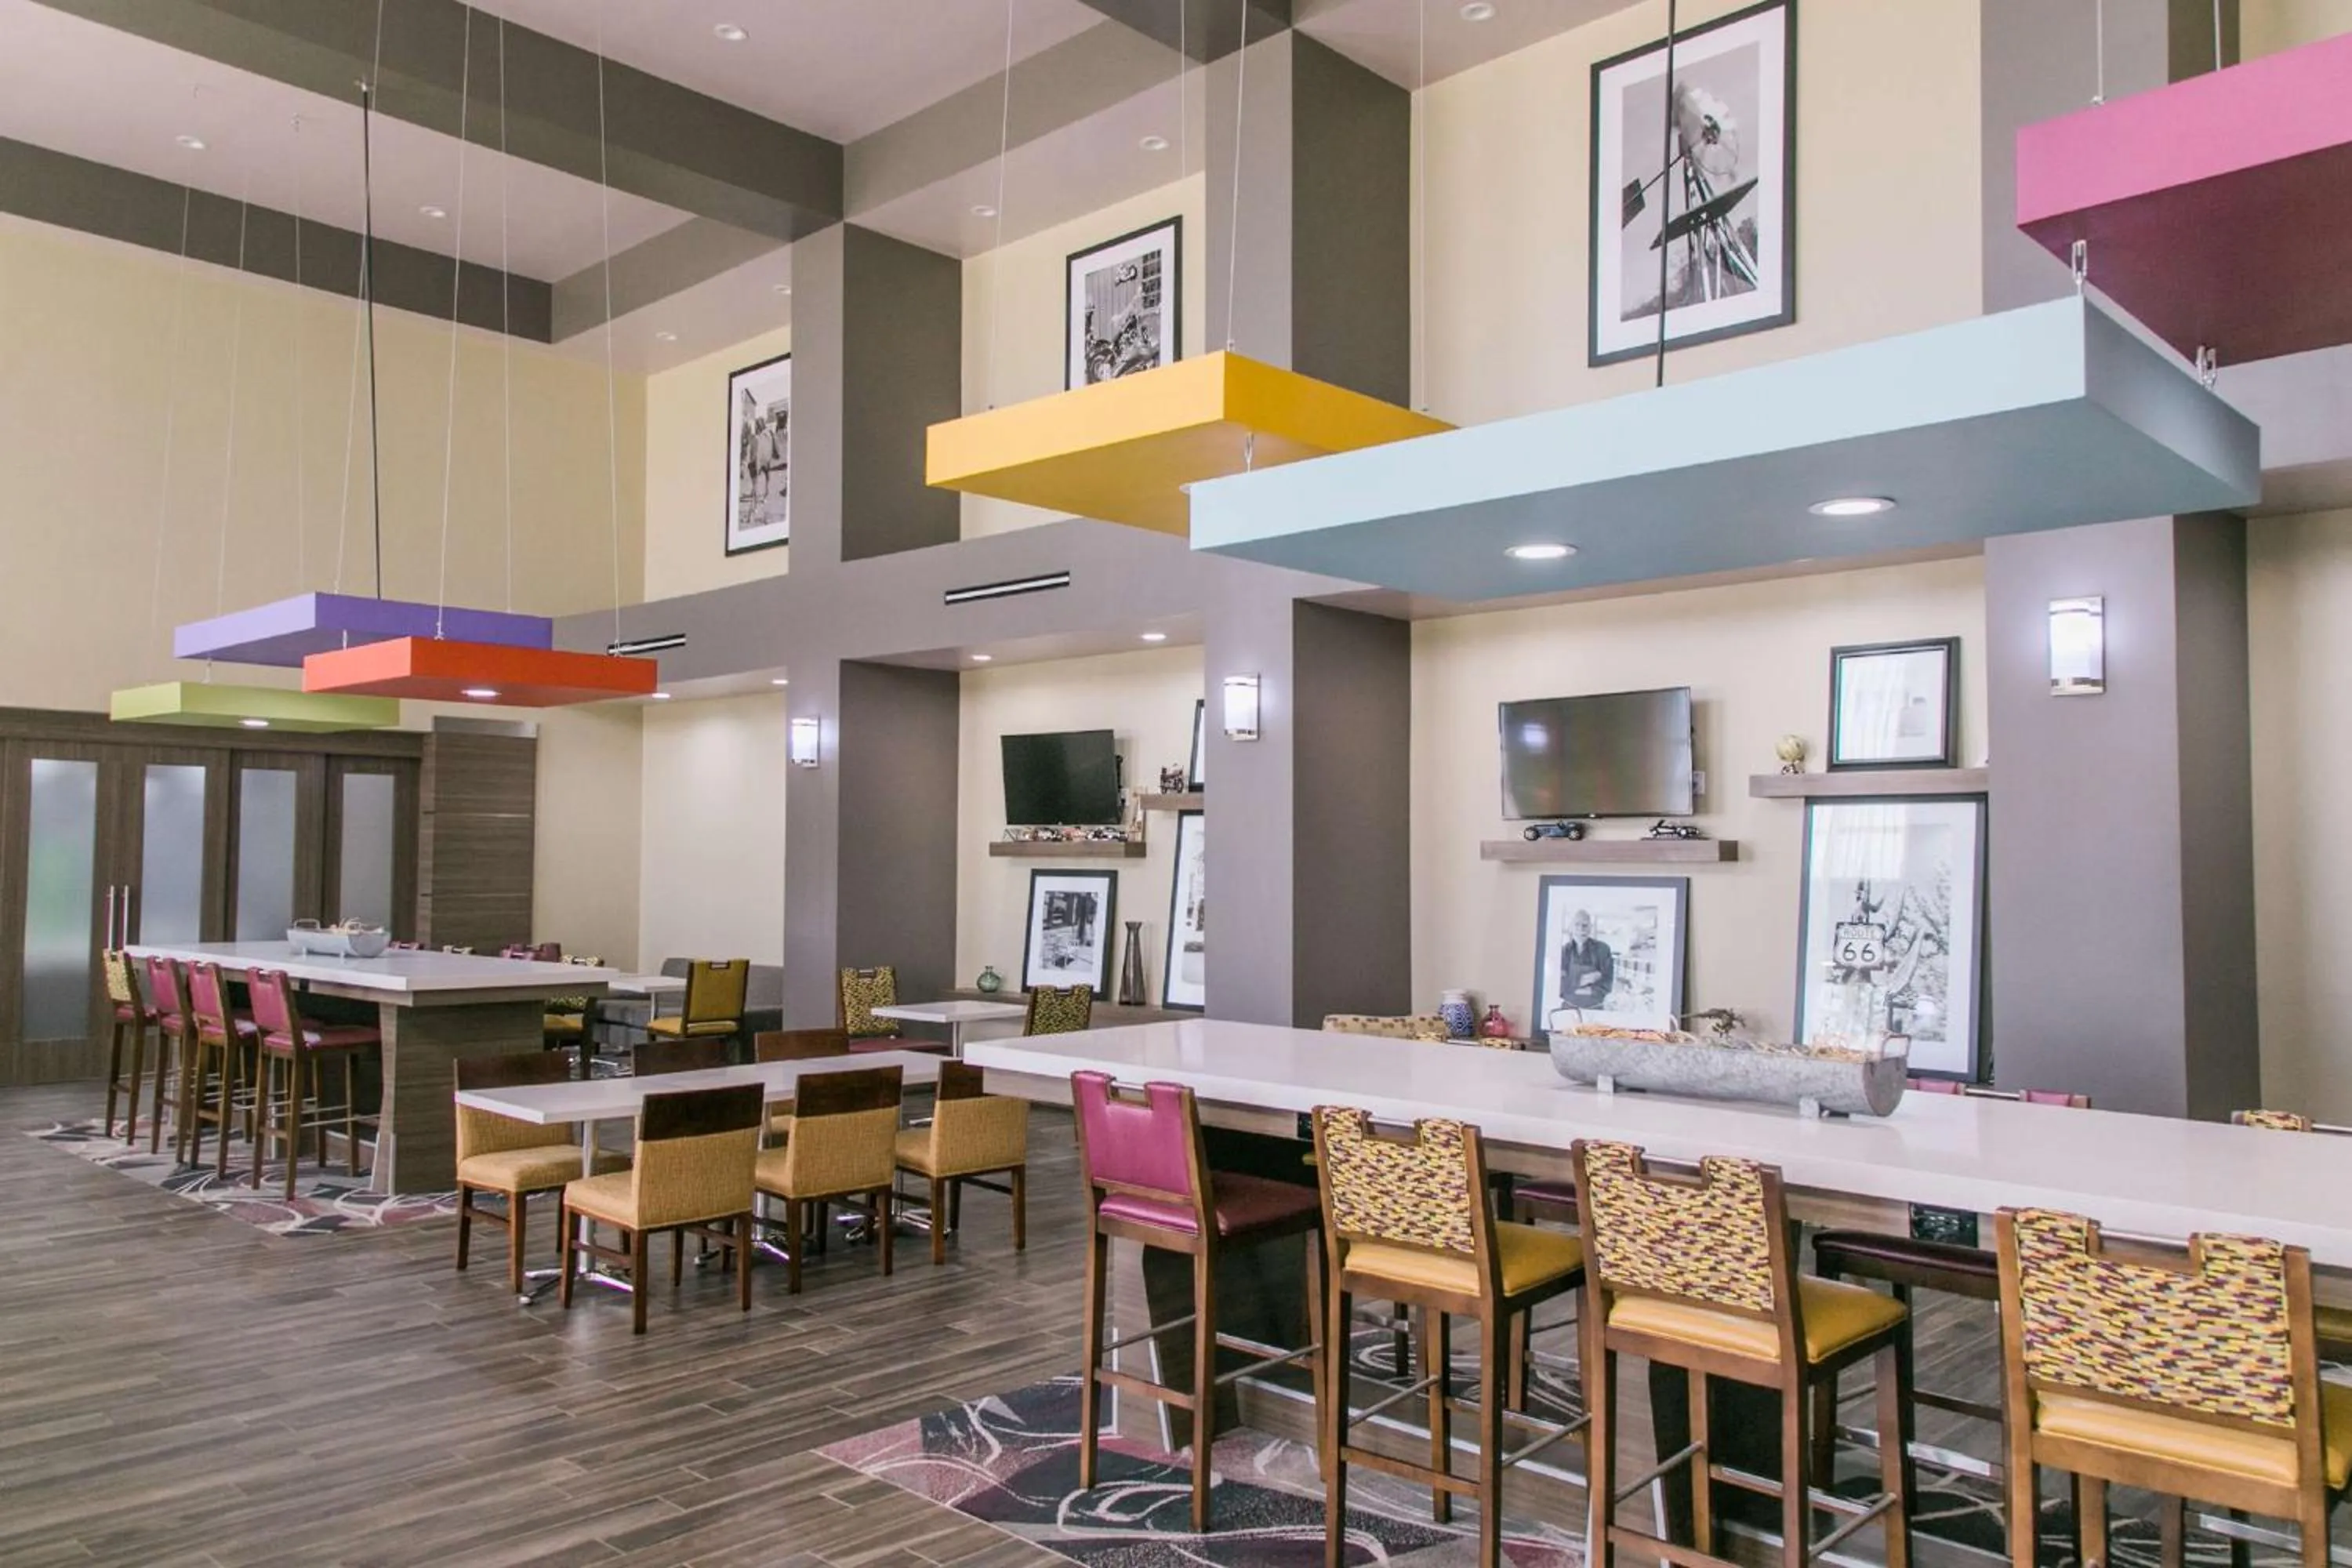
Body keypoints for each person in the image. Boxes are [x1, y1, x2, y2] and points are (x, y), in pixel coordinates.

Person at [1559, 909, 1614, 1014]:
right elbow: (1559, 987)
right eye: (1577, 925)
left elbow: (1608, 984)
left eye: (1585, 925)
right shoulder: (1564, 951)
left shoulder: (1603, 949)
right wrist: (1584, 980)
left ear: (1591, 928)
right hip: (1568, 1009)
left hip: (1595, 1009)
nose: (1581, 929)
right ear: (1571, 927)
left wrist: (1574, 985)